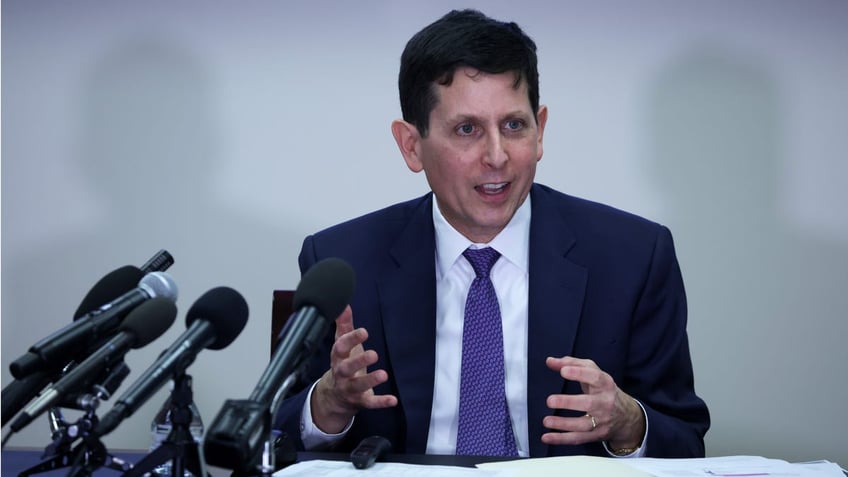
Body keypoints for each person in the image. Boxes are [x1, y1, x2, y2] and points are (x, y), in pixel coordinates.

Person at [274, 9, 709, 458]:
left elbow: (685, 439)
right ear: (411, 145)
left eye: (514, 126)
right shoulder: (342, 262)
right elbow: (273, 434)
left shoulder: (632, 258)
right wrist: (327, 404)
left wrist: (629, 422)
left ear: (540, 130)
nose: (497, 156)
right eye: (467, 130)